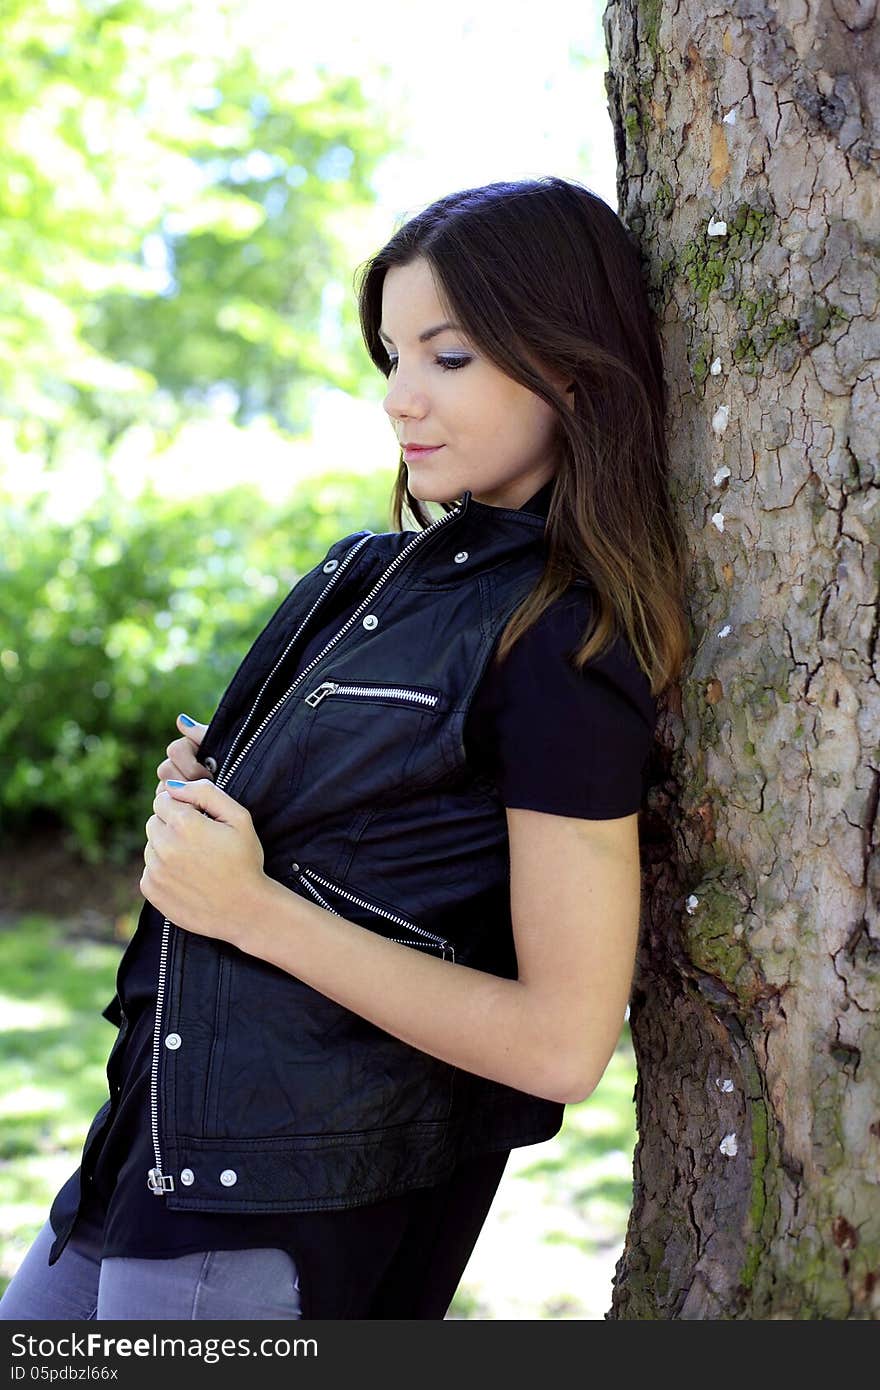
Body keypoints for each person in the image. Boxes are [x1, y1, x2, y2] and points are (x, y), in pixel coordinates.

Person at [0, 175, 690, 1321]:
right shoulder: (370, 573)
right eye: (390, 357)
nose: (400, 397)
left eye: (448, 356)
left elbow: (564, 1043)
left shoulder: (561, 639)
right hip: (141, 1160)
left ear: (568, 362)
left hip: (284, 1212)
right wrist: (219, 805)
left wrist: (248, 906)